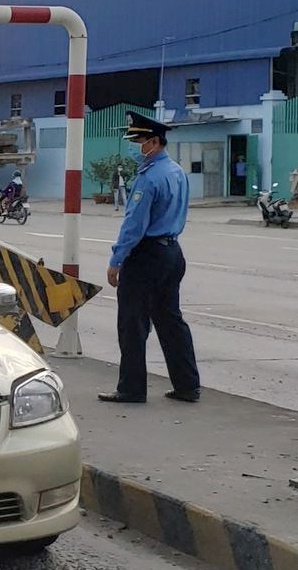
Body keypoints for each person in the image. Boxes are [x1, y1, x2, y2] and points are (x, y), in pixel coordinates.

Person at [98, 111, 200, 405]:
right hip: (172, 253)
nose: (134, 146)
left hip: (147, 256)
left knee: (133, 323)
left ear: (153, 142)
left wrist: (116, 260)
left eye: (137, 140)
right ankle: (187, 385)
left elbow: (134, 225)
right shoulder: (176, 172)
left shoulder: (149, 178)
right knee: (170, 320)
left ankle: (131, 388)